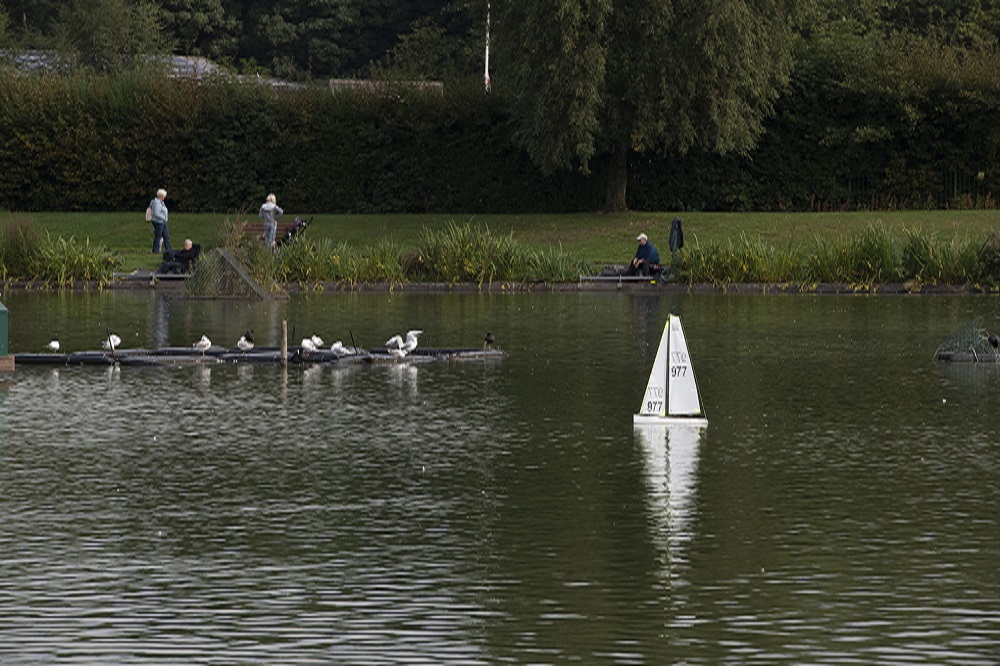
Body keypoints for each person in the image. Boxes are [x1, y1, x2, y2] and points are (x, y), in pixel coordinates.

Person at [149, 188, 171, 254]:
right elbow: (156, 213)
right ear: (161, 196)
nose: (164, 197)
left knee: (166, 235)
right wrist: (164, 218)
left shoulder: (161, 202)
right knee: (158, 236)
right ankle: (155, 250)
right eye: (164, 196)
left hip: (162, 222)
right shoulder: (156, 203)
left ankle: (169, 249)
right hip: (158, 222)